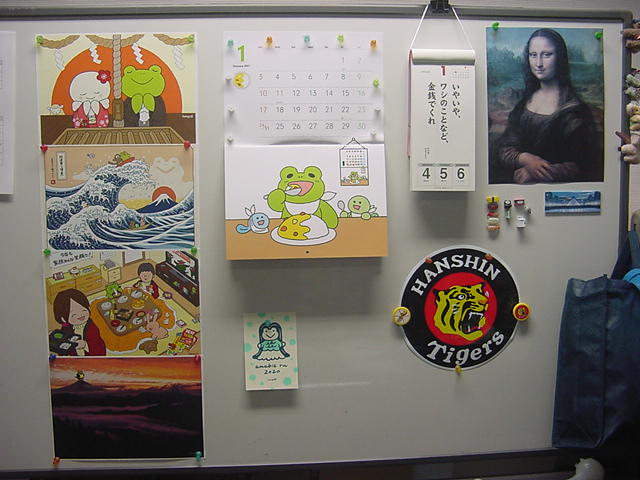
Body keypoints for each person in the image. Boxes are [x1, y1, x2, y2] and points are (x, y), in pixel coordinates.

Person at [494, 28, 602, 183]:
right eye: (533, 55)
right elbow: (504, 148)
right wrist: (524, 158)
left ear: (560, 58)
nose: (538, 63)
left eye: (547, 55)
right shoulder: (524, 104)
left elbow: (582, 165)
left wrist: (538, 172)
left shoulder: (575, 111)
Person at [52, 288, 106, 356]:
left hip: (93, 355)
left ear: (88, 308)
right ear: (63, 319)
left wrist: (85, 345)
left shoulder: (92, 329)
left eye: (83, 310)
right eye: (74, 314)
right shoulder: (66, 328)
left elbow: (96, 348)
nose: (80, 315)